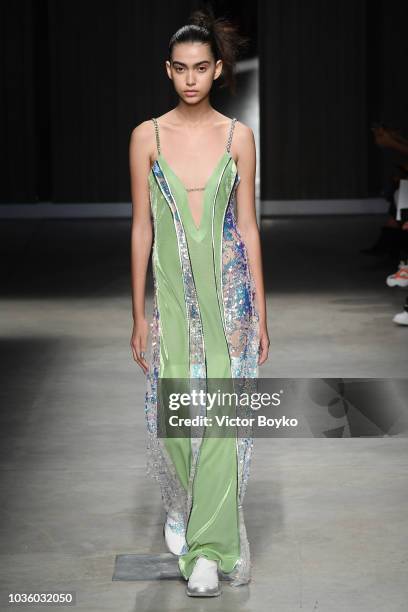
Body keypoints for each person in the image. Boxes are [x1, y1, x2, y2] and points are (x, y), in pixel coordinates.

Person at [129, 5, 269, 598]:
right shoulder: (147, 137)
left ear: (218, 72)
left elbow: (249, 227)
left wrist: (262, 308)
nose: (191, 78)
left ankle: (209, 549)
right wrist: (137, 314)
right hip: (170, 303)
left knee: (221, 421)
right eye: (181, 68)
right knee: (174, 418)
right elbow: (141, 227)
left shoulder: (239, 138)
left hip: (230, 300)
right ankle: (185, 510)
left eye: (202, 68)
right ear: (169, 70)